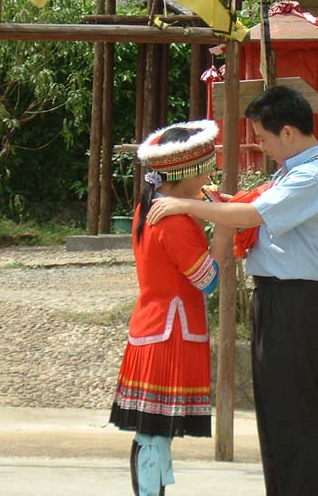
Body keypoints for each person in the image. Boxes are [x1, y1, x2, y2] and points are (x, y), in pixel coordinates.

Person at [146, 85, 318, 496]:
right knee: (275, 413)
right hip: (275, 297)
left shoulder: (314, 174)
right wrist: (215, 203)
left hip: (296, 299)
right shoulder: (291, 171)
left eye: (264, 138)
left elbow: (252, 213)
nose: (262, 146)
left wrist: (188, 205)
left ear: (288, 132)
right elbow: (250, 206)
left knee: (295, 412)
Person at [110, 120, 231, 496]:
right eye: (204, 171)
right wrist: (224, 230)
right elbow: (207, 279)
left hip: (155, 325)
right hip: (171, 333)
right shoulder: (174, 221)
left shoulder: (149, 208)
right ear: (184, 173)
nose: (208, 178)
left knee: (152, 429)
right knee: (154, 431)